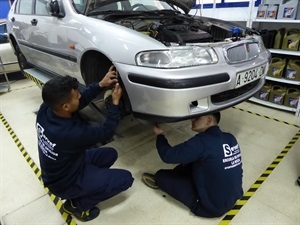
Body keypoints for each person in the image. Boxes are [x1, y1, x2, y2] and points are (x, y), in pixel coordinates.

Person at [36, 66, 134, 222]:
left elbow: (78, 103)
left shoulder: (46, 109)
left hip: (67, 166)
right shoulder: (72, 134)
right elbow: (107, 131)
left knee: (111, 154)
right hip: (65, 183)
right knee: (126, 179)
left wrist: (100, 84)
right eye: (76, 96)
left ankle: (91, 181)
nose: (80, 96)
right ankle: (77, 205)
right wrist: (115, 103)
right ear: (65, 107)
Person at [142, 112, 243, 218]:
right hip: (232, 198)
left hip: (211, 207)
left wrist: (160, 135)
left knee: (161, 176)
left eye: (197, 117)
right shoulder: (230, 138)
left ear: (209, 121)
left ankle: (199, 201)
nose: (192, 119)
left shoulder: (202, 142)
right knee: (194, 161)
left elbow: (167, 156)